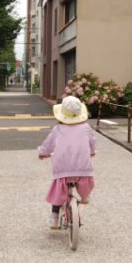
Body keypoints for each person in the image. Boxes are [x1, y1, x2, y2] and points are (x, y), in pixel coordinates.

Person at [38, 96, 96, 229]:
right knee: (84, 177)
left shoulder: (58, 129)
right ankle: (84, 194)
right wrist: (92, 151)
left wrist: (42, 153)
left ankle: (54, 217)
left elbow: (48, 145)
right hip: (82, 168)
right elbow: (92, 142)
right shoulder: (86, 127)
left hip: (62, 169)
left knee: (59, 190)